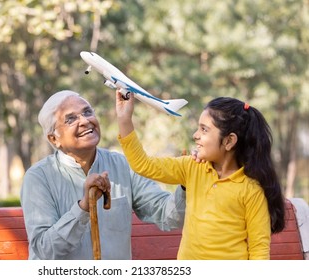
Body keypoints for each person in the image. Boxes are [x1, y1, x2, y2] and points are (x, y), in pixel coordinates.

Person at [115, 91, 286, 260]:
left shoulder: (251, 190)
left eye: (204, 130)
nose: (195, 135)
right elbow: (143, 165)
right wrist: (124, 119)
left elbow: (259, 250)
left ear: (229, 141)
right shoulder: (192, 167)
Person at [20, 90, 186, 260]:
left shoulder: (123, 165)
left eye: (87, 112)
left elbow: (170, 217)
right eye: (71, 119)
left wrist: (185, 182)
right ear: (54, 139)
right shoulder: (38, 178)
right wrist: (84, 207)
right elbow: (44, 250)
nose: (85, 121)